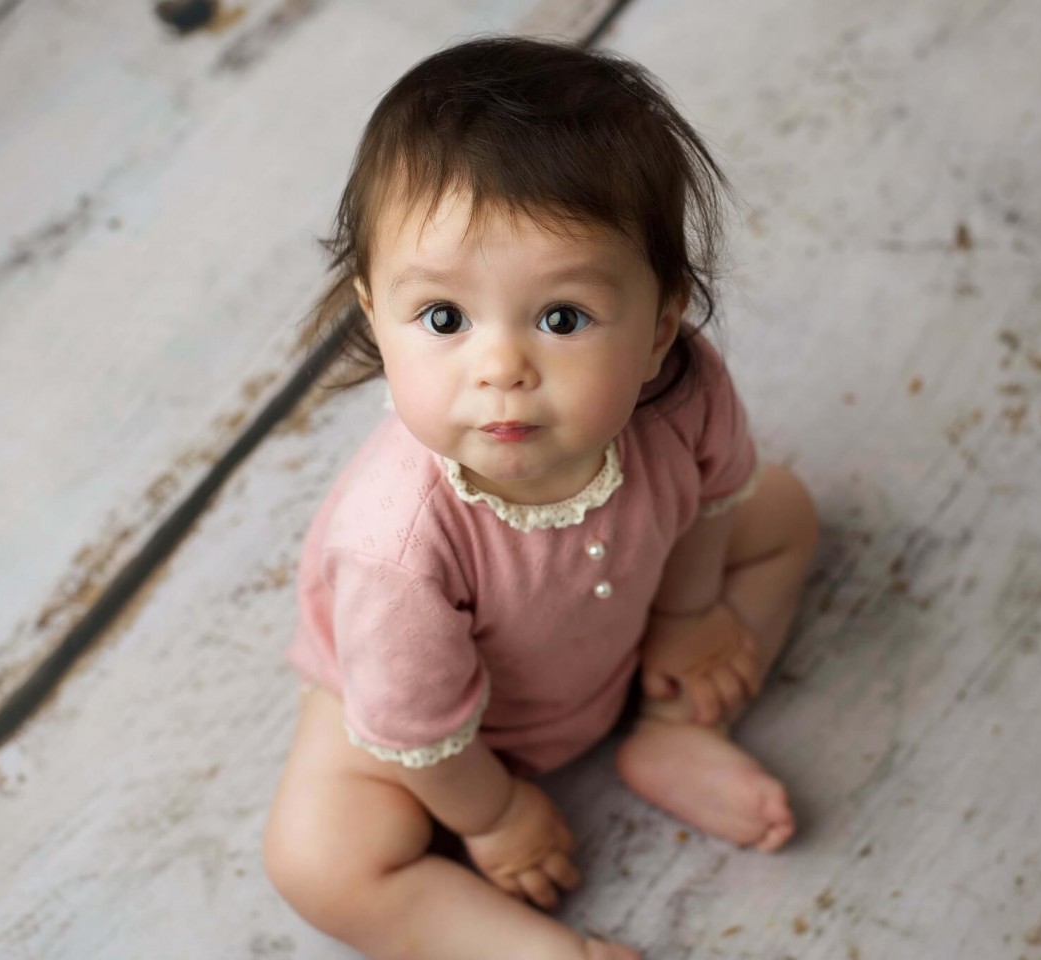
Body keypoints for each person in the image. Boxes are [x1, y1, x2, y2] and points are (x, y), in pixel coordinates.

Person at [262, 35, 819, 960]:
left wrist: (689, 617)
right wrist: (495, 813)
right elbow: (418, 730)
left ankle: (678, 725)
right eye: (443, 318)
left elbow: (712, 505)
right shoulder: (394, 545)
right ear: (376, 314)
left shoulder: (682, 391)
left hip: (631, 624)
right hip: (437, 733)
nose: (502, 369)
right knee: (318, 860)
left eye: (562, 318)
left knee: (785, 513)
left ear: (658, 327)